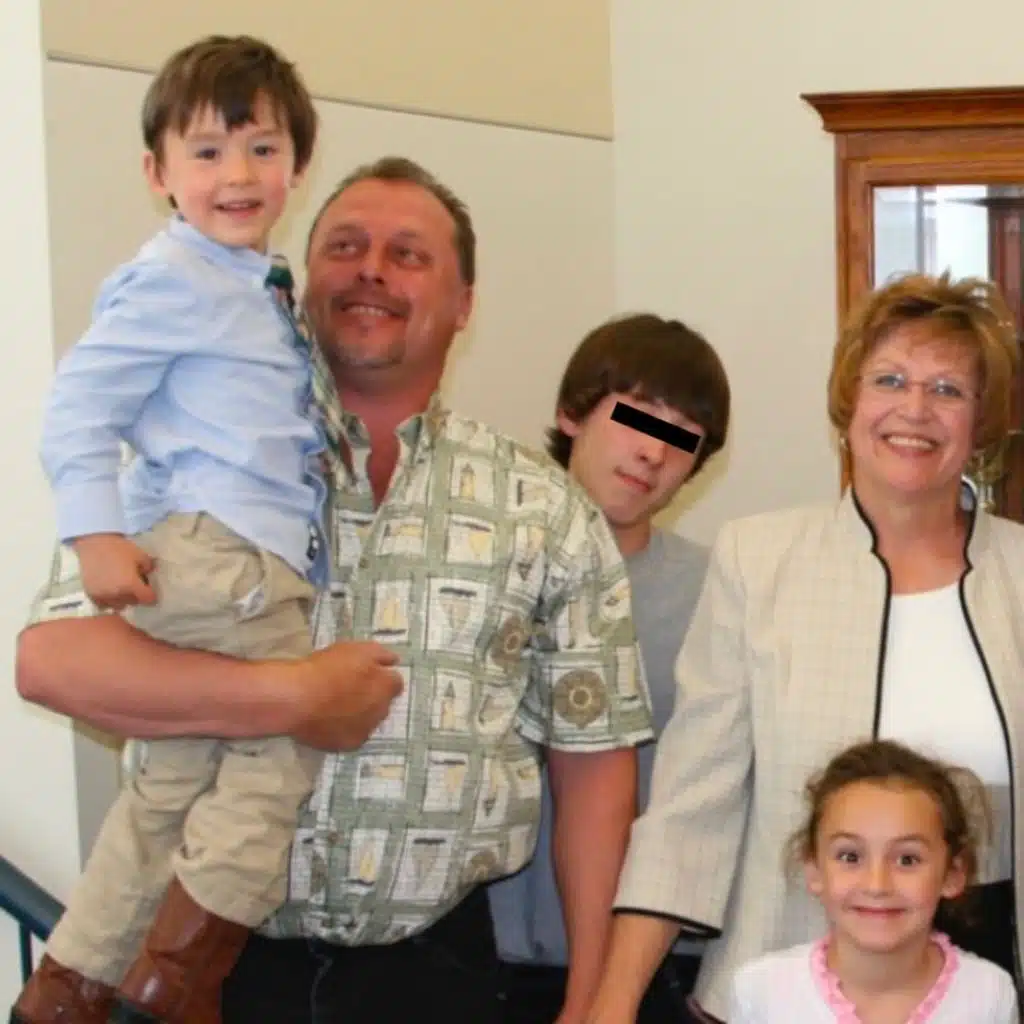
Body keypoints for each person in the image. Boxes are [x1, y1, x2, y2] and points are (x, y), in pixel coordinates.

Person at [14, 155, 654, 1024]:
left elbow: (594, 765)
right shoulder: (183, 463)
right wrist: (294, 697)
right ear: (298, 286)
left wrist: (594, 1001)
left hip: (438, 979)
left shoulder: (543, 508)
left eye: (408, 254)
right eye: (345, 247)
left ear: (465, 303)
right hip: (204, 976)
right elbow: (52, 664)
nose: (372, 271)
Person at [11, 35, 371, 1024]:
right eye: (207, 152)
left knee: (166, 789)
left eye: (261, 148)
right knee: (280, 752)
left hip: (225, 556)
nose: (237, 174)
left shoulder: (254, 283)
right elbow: (76, 410)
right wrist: (94, 535)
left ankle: (66, 989)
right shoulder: (177, 276)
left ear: (298, 165)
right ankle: (177, 979)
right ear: (157, 173)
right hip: (227, 559)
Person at [588, 272, 1024, 1023]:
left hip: (987, 981)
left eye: (948, 389)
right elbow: (691, 808)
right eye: (890, 380)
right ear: (849, 402)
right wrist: (612, 1004)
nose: (915, 409)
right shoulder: (758, 561)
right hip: (785, 983)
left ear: (980, 421)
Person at [488, 312, 730, 1023]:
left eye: (683, 437)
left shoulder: (716, 593)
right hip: (480, 954)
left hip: (654, 967)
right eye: (637, 417)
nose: (653, 452)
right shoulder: (480, 570)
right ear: (572, 413)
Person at [729, 739, 1018, 1022]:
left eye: (907, 859)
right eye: (850, 857)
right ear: (814, 869)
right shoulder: (762, 993)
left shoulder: (989, 995)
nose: (877, 885)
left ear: (953, 873)